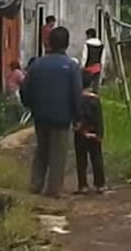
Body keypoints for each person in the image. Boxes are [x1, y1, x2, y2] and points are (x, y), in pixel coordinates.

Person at [20, 26, 81, 197]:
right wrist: (77, 116)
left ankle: (35, 184)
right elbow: (76, 93)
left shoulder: (37, 64)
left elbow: (25, 89)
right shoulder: (71, 66)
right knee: (58, 154)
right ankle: (53, 189)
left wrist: (31, 106)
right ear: (67, 44)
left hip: (41, 115)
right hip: (62, 117)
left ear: (49, 43)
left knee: (41, 150)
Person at [74, 70, 107, 195]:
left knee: (81, 159)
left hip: (81, 133)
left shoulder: (78, 99)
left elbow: (77, 116)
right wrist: (99, 133)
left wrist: (79, 128)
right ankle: (100, 184)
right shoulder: (95, 99)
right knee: (97, 158)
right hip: (94, 133)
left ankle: (83, 185)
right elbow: (99, 118)